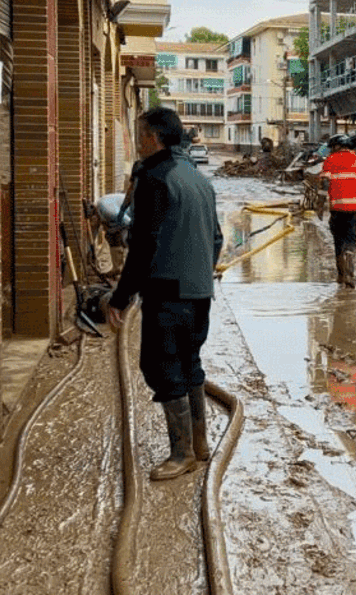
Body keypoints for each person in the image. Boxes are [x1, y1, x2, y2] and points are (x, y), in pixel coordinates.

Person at [107, 107, 224, 481]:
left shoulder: (156, 178)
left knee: (161, 366)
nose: (137, 141)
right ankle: (200, 444)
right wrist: (200, 272)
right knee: (190, 363)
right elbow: (217, 238)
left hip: (168, 291)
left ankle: (182, 453)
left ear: (154, 138)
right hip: (199, 292)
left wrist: (120, 298)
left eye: (139, 134)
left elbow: (143, 246)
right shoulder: (197, 178)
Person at [320, 134, 356, 288]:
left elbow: (324, 183)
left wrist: (320, 206)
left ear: (336, 146)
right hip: (354, 209)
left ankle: (341, 275)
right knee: (350, 240)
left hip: (337, 209)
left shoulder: (331, 160)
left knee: (338, 240)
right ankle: (349, 267)